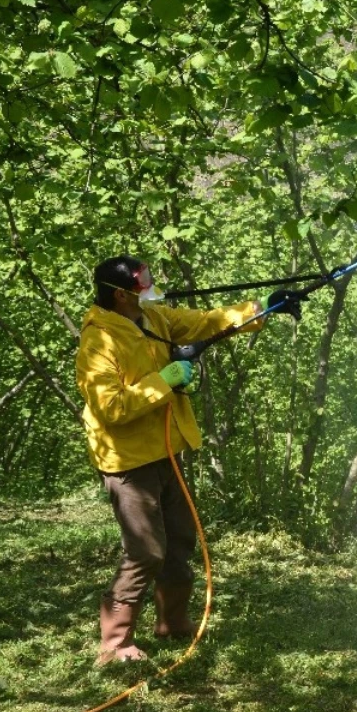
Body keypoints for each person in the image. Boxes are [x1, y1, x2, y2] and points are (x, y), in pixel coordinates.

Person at [75, 255, 298, 665]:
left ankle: (172, 624)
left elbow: (205, 321)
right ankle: (115, 643)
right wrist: (166, 379)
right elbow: (110, 408)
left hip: (167, 452)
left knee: (179, 540)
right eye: (143, 284)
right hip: (128, 461)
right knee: (146, 551)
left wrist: (262, 308)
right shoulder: (98, 342)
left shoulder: (153, 318)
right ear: (120, 294)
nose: (152, 287)